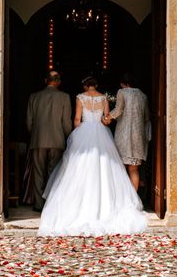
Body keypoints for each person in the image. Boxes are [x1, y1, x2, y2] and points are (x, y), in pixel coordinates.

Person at [38, 76, 147, 236]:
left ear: (84, 86)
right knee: (105, 167)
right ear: (95, 85)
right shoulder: (103, 97)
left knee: (79, 169)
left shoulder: (80, 98)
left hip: (84, 132)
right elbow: (106, 119)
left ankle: (80, 205)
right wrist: (104, 121)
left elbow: (76, 119)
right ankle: (108, 206)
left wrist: (77, 132)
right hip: (101, 133)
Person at [26, 70, 72, 212]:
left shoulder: (34, 97)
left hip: (38, 140)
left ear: (46, 80)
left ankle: (39, 204)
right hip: (57, 140)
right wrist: (68, 137)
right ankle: (51, 204)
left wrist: (34, 135)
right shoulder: (64, 97)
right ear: (58, 82)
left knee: (39, 173)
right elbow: (66, 122)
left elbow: (29, 121)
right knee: (54, 173)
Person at [103, 73, 151, 191]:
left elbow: (118, 110)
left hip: (124, 136)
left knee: (121, 169)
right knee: (134, 170)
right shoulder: (143, 96)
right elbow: (147, 117)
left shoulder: (122, 92)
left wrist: (107, 118)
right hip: (138, 138)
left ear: (123, 83)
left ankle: (122, 199)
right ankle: (133, 200)